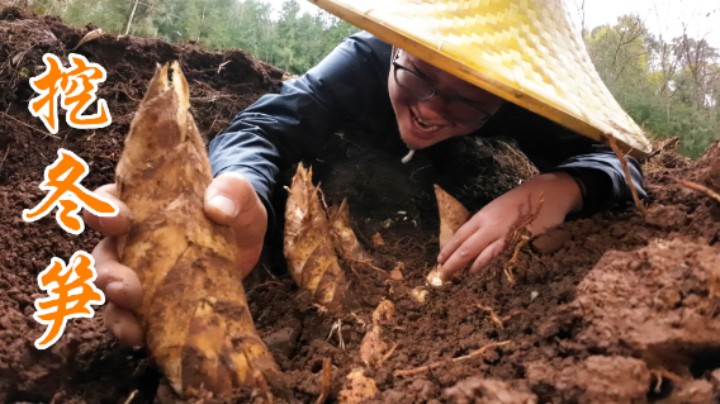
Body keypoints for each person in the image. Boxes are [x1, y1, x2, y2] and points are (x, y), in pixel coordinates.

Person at [84, 31, 646, 346]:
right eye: (419, 75)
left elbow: (623, 165)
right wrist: (242, 191)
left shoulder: (522, 95)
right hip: (343, 154)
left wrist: (557, 187)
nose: (430, 108)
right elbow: (262, 127)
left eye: (467, 99)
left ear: (505, 97)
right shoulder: (363, 61)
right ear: (397, 50)